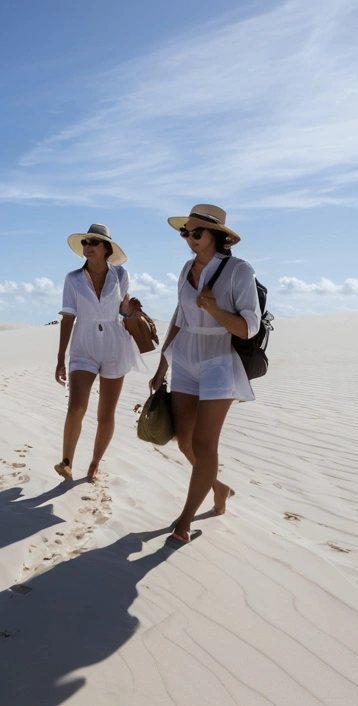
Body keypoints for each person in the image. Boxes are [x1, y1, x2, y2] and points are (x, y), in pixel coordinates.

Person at [149, 204, 261, 545]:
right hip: (184, 357)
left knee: (203, 442)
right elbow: (180, 318)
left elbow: (249, 328)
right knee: (184, 440)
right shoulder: (185, 269)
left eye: (196, 232)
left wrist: (213, 308)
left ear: (217, 236)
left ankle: (184, 521)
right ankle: (218, 488)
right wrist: (162, 364)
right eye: (186, 232)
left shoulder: (239, 271)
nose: (189, 238)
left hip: (219, 359)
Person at [55, 223, 144, 482]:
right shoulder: (73, 279)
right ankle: (67, 462)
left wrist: (129, 311)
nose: (88, 247)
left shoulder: (120, 275)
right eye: (85, 242)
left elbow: (121, 312)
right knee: (76, 406)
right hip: (84, 345)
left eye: (94, 242)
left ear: (107, 248)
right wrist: (61, 357)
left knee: (106, 413)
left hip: (115, 346)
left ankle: (94, 465)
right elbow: (67, 317)